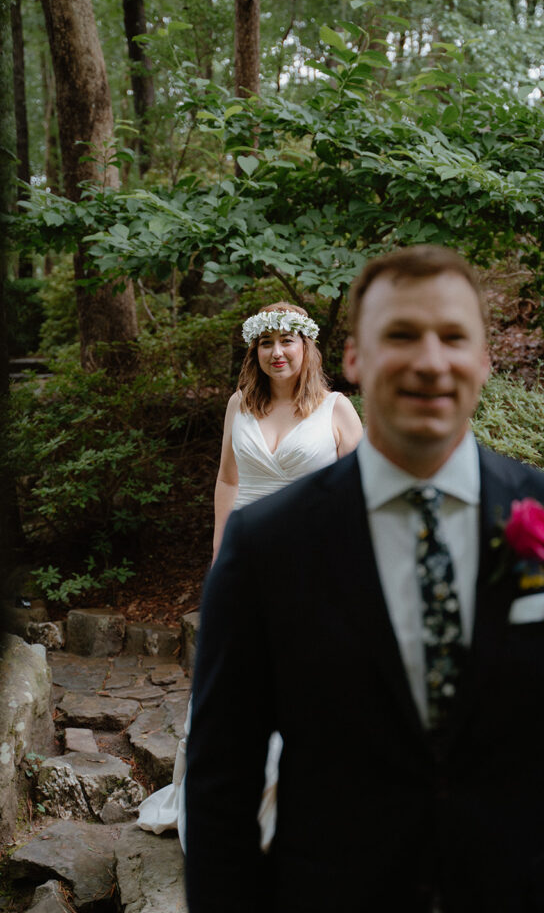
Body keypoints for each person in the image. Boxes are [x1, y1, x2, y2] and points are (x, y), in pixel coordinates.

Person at [185, 246, 544, 913]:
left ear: (483, 360)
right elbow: (222, 780)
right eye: (401, 335)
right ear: (355, 358)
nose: (429, 360)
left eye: (453, 337)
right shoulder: (264, 546)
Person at [137, 301, 362, 848]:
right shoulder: (240, 404)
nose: (277, 352)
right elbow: (228, 481)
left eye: (287, 341)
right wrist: (220, 550)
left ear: (307, 347)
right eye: (266, 343)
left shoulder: (336, 409)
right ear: (253, 351)